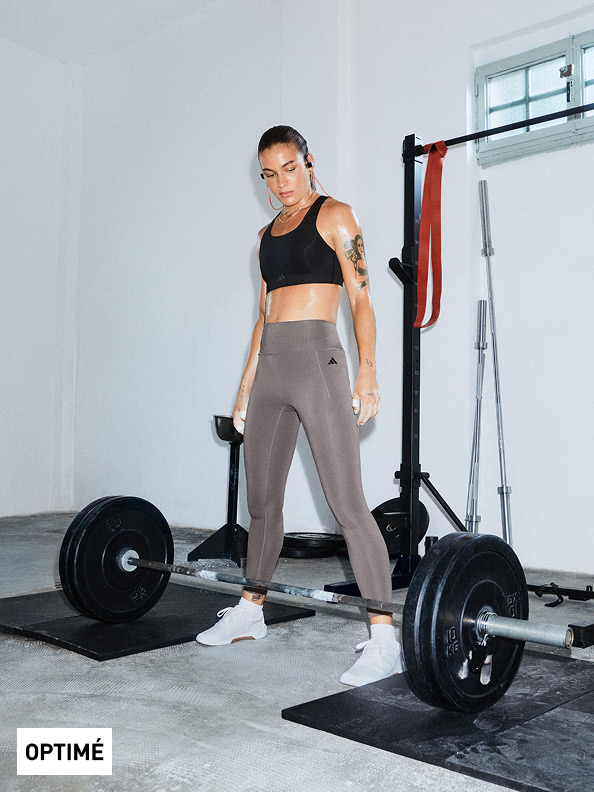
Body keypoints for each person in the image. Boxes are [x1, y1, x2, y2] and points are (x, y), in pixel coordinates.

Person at [196, 125, 402, 686]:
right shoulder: (264, 236)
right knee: (261, 503)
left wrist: (370, 373)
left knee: (347, 503)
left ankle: (384, 637)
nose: (281, 181)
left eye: (289, 167)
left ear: (309, 162)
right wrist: (244, 389)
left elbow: (361, 299)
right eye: (269, 173)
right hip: (272, 370)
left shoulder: (336, 215)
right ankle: (251, 611)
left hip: (318, 362)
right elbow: (261, 321)